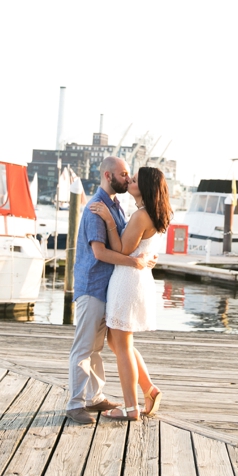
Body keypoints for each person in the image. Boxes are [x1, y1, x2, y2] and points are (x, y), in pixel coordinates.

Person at [66, 157, 157, 425]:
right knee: (83, 348)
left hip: (107, 288)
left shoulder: (116, 206)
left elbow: (127, 242)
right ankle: (75, 404)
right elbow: (100, 251)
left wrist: (145, 255)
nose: (128, 179)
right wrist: (135, 262)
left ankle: (95, 398)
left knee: (96, 348)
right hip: (93, 285)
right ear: (108, 175)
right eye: (124, 174)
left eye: (130, 175)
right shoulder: (97, 207)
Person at [89, 166, 171, 421]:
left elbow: (123, 250)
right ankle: (149, 389)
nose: (130, 181)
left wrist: (110, 221)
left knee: (122, 346)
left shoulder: (140, 216)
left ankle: (130, 408)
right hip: (137, 279)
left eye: (134, 179)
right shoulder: (155, 213)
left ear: (144, 187)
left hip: (127, 281)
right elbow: (139, 249)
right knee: (118, 343)